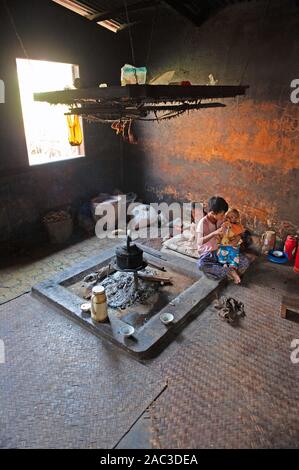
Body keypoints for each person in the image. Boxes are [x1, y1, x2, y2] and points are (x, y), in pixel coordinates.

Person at [197, 196, 250, 283]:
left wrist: (237, 238)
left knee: (245, 262)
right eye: (222, 215)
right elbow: (199, 241)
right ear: (213, 213)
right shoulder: (203, 223)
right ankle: (230, 271)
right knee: (201, 265)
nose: (223, 217)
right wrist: (214, 233)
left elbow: (235, 231)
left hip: (224, 250)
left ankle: (224, 270)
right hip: (210, 254)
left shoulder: (222, 220)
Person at [216, 208, 245, 284]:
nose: (233, 218)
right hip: (224, 244)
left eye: (235, 217)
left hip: (233, 245)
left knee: (234, 257)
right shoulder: (225, 224)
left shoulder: (239, 226)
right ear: (227, 216)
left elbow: (239, 235)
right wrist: (226, 225)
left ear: (238, 218)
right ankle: (225, 266)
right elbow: (222, 233)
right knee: (222, 255)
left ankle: (232, 269)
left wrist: (236, 239)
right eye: (231, 217)